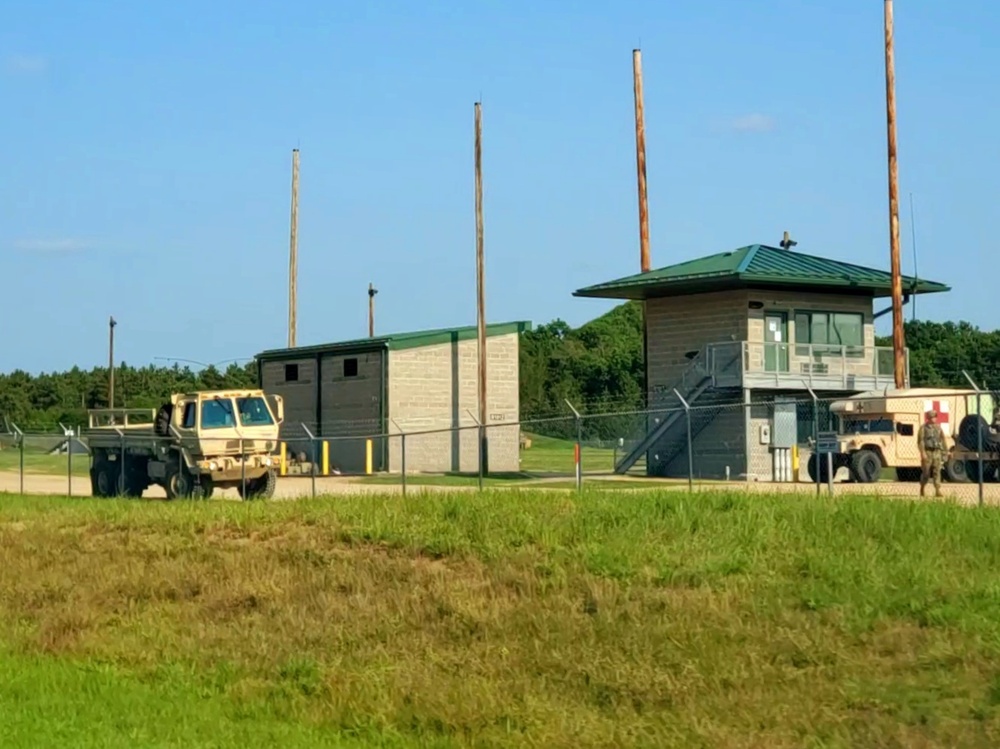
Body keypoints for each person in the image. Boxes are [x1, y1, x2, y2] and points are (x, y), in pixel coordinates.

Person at [917, 409, 947, 498]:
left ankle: (937, 490)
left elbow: (943, 439)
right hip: (928, 452)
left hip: (936, 452)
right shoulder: (923, 428)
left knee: (937, 471)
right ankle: (922, 487)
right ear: (928, 418)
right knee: (926, 472)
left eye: (934, 417)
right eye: (931, 417)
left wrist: (946, 451)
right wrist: (922, 452)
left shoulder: (938, 428)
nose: (933, 419)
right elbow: (920, 441)